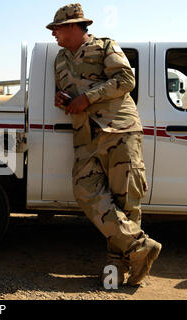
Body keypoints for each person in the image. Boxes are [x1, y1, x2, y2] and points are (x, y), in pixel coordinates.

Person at [47, 3, 162, 286]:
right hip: (85, 135)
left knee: (125, 198)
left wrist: (88, 97)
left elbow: (126, 79)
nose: (54, 34)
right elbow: (63, 92)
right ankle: (139, 247)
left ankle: (121, 267)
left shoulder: (104, 46)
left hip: (119, 129)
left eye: (57, 29)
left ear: (75, 26)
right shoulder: (60, 59)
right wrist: (62, 99)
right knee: (84, 190)